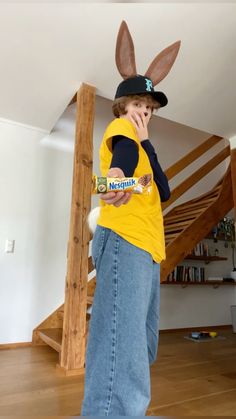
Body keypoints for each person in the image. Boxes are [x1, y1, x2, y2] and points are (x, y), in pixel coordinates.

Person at [81, 21, 180, 416]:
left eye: (151, 108)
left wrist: (146, 147)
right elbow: (119, 162)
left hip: (146, 247)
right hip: (126, 239)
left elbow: (164, 190)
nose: (146, 113)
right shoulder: (122, 129)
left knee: (140, 342)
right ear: (123, 106)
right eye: (140, 105)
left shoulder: (141, 146)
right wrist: (116, 176)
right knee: (124, 346)